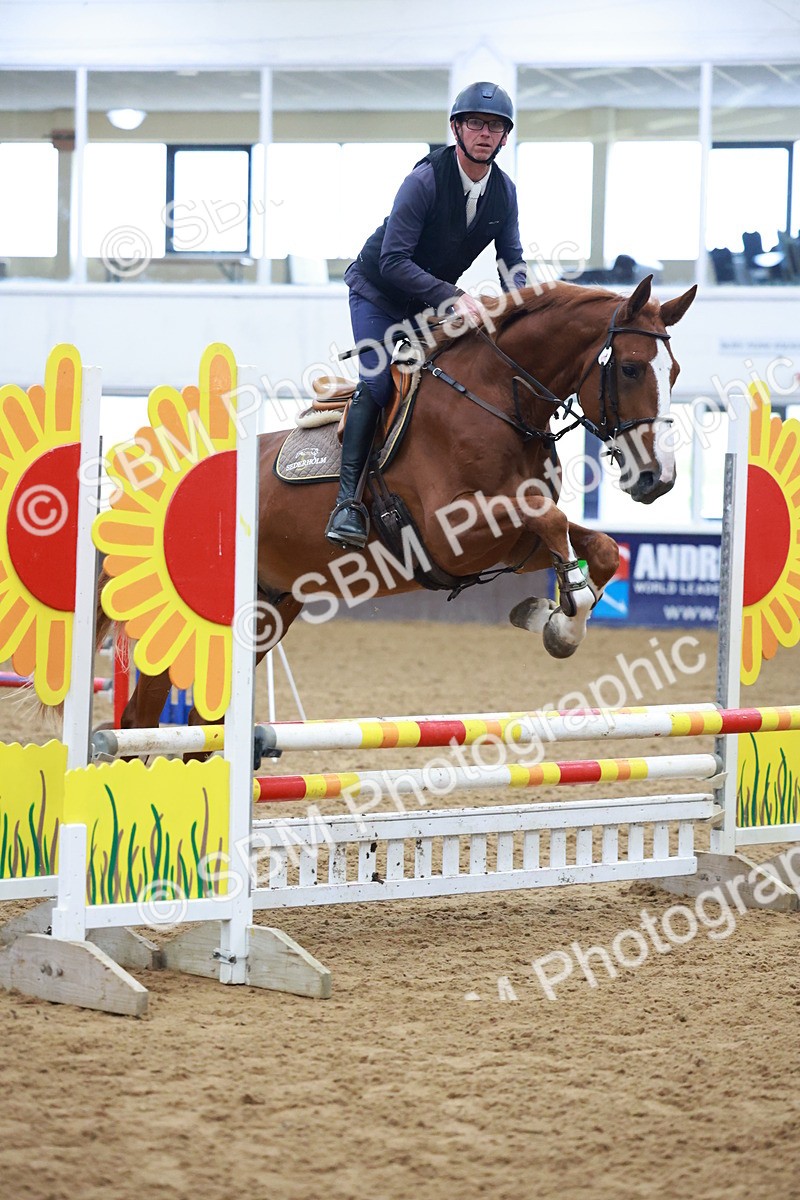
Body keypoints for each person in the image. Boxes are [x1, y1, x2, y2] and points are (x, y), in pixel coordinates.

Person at [324, 80, 528, 549]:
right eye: (475, 123)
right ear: (457, 129)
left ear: (504, 137)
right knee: (379, 384)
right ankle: (346, 503)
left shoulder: (504, 192)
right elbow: (393, 261)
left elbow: (511, 261)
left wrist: (522, 307)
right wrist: (452, 296)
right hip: (377, 294)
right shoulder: (424, 181)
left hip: (426, 304)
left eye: (494, 126)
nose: (484, 133)